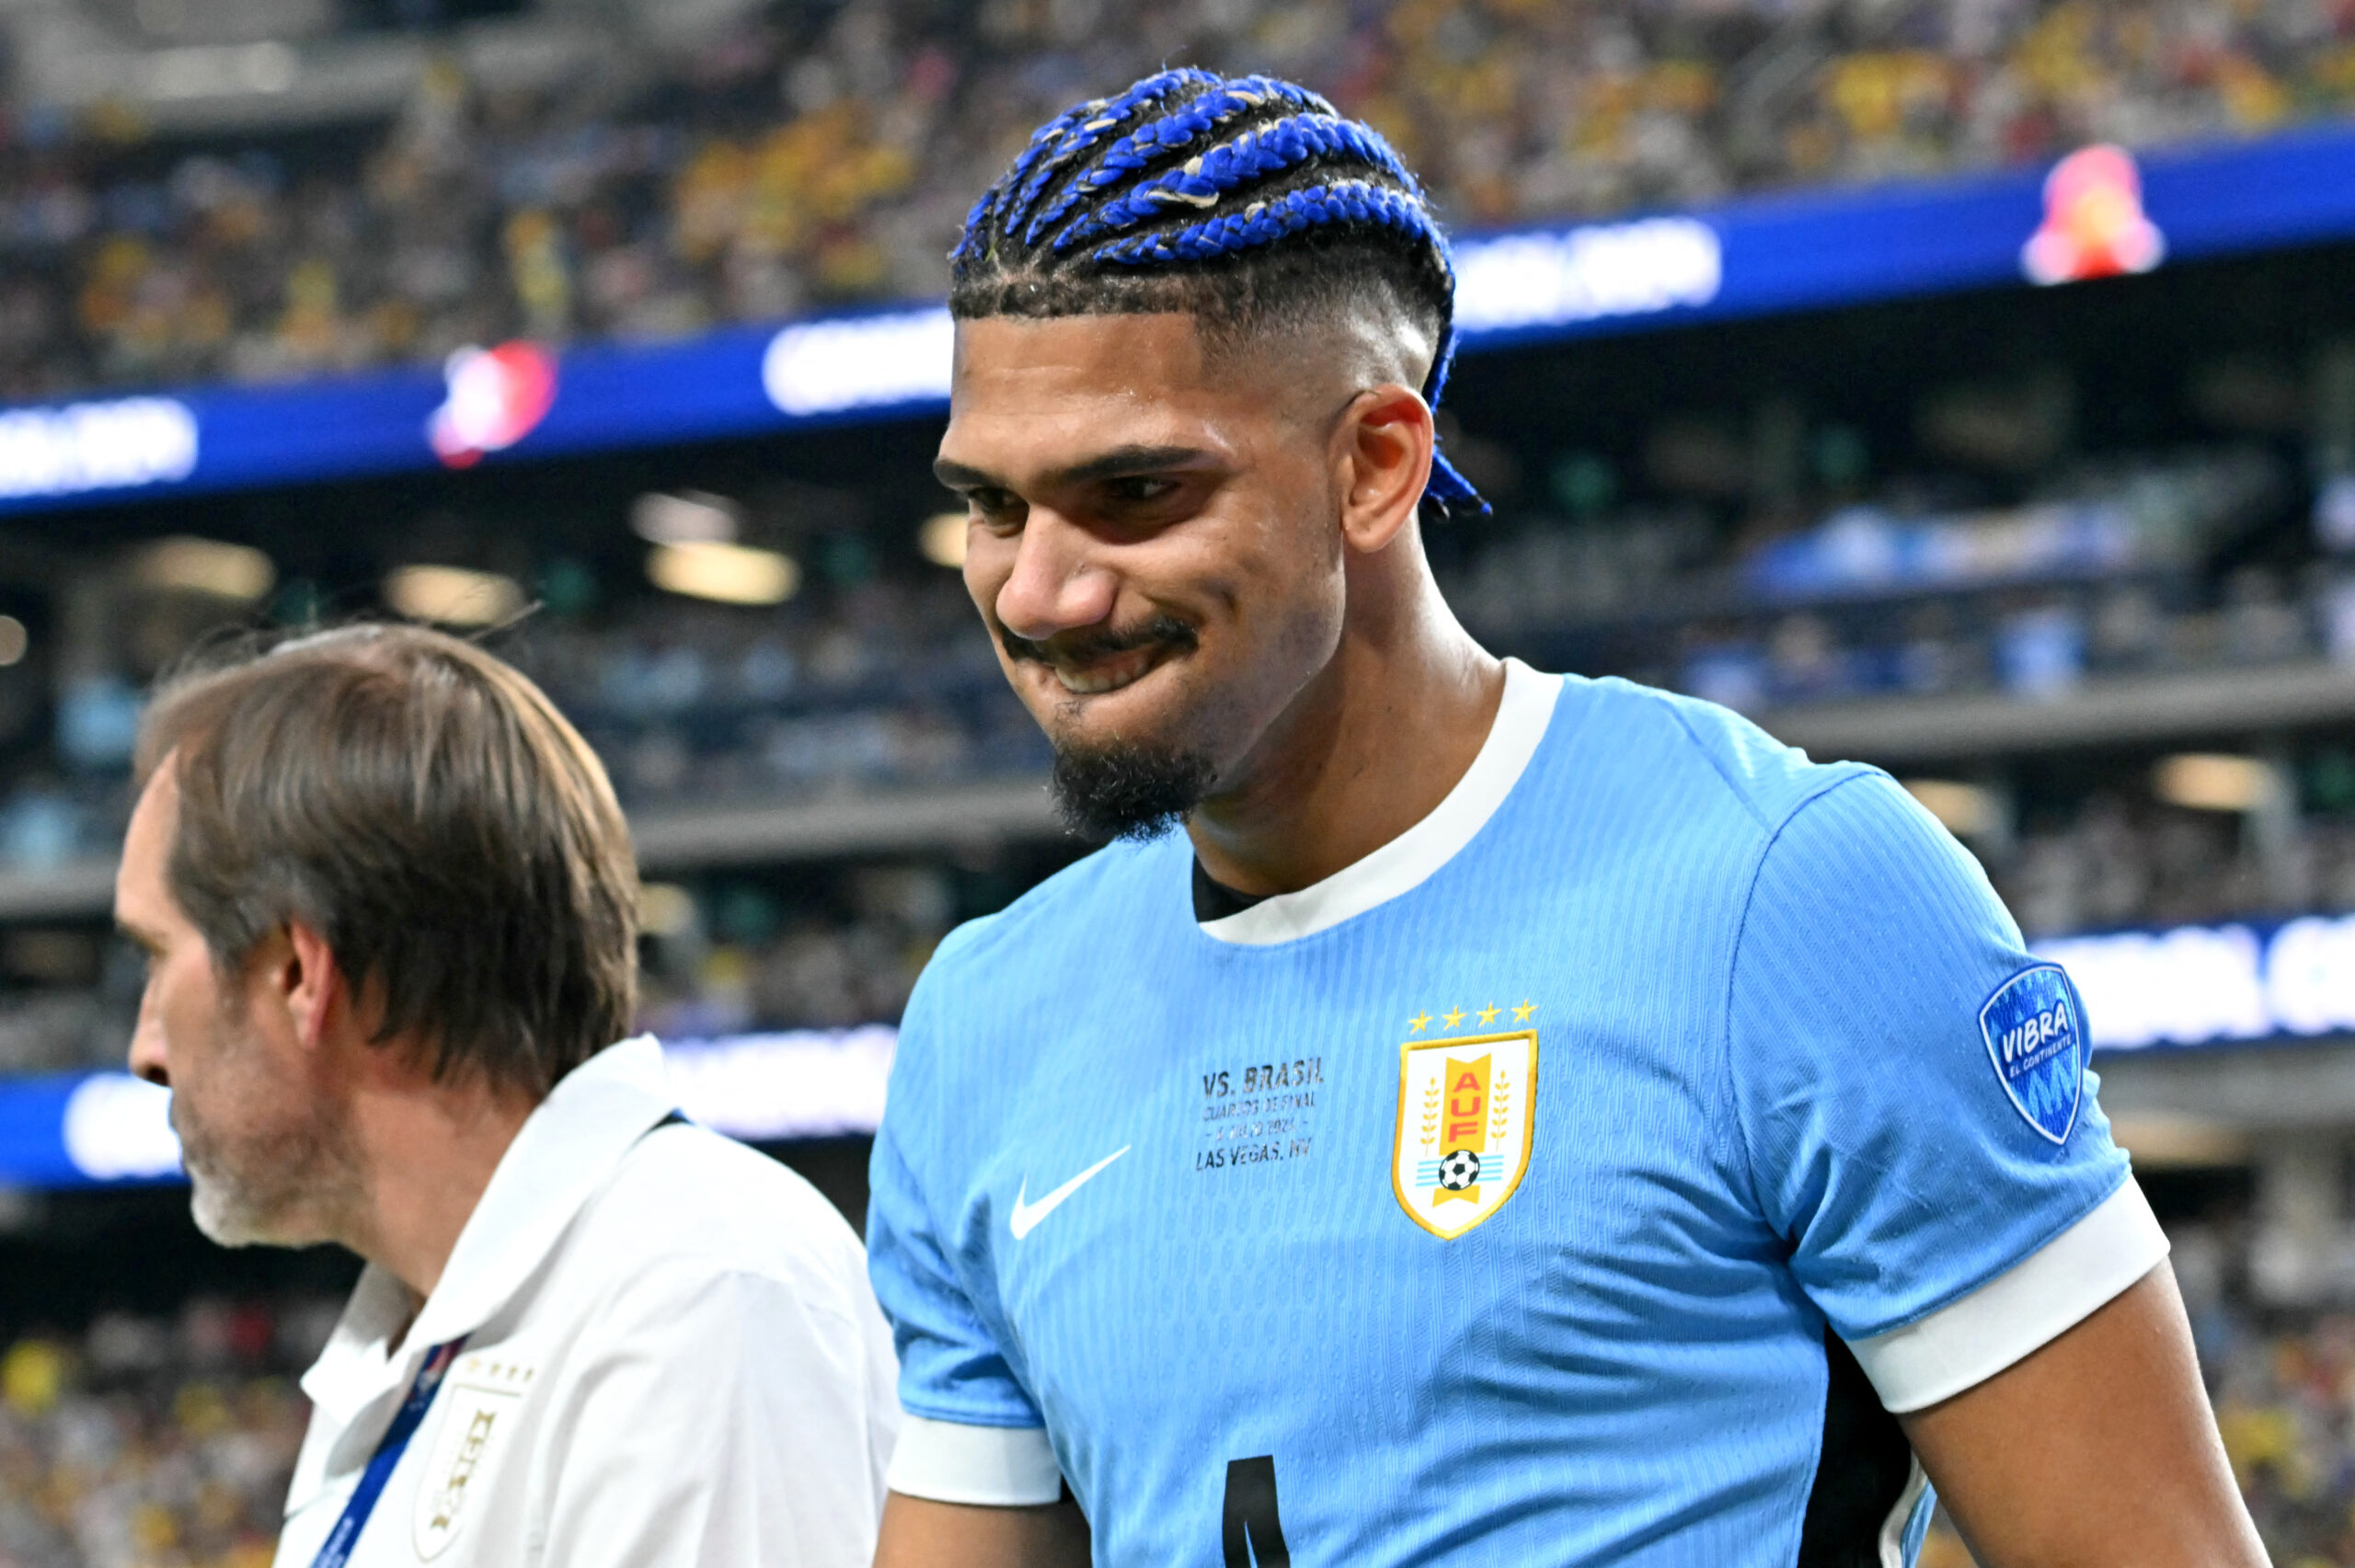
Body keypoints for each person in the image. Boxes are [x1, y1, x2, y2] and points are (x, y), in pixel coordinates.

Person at [864, 67, 2267, 1568]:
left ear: (1375, 466)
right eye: (994, 508)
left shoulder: (1789, 899)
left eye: (1134, 492)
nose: (1040, 592)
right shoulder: (985, 1023)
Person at [112, 624, 898, 1568]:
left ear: (295, 972)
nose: (144, 1045)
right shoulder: (420, 1327)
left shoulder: (696, 1285)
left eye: (157, 958)